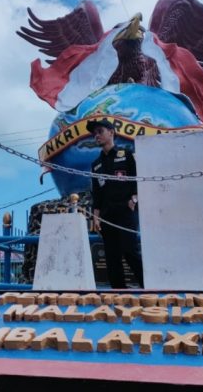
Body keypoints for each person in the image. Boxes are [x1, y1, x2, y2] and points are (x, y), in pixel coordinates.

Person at [87, 118, 144, 289]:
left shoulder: (126, 155)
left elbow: (138, 179)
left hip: (126, 212)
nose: (96, 135)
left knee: (130, 251)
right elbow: (97, 193)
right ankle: (119, 293)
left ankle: (148, 288)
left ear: (111, 133)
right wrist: (96, 217)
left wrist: (134, 199)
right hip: (107, 216)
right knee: (112, 257)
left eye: (100, 131)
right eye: (94, 133)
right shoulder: (96, 164)